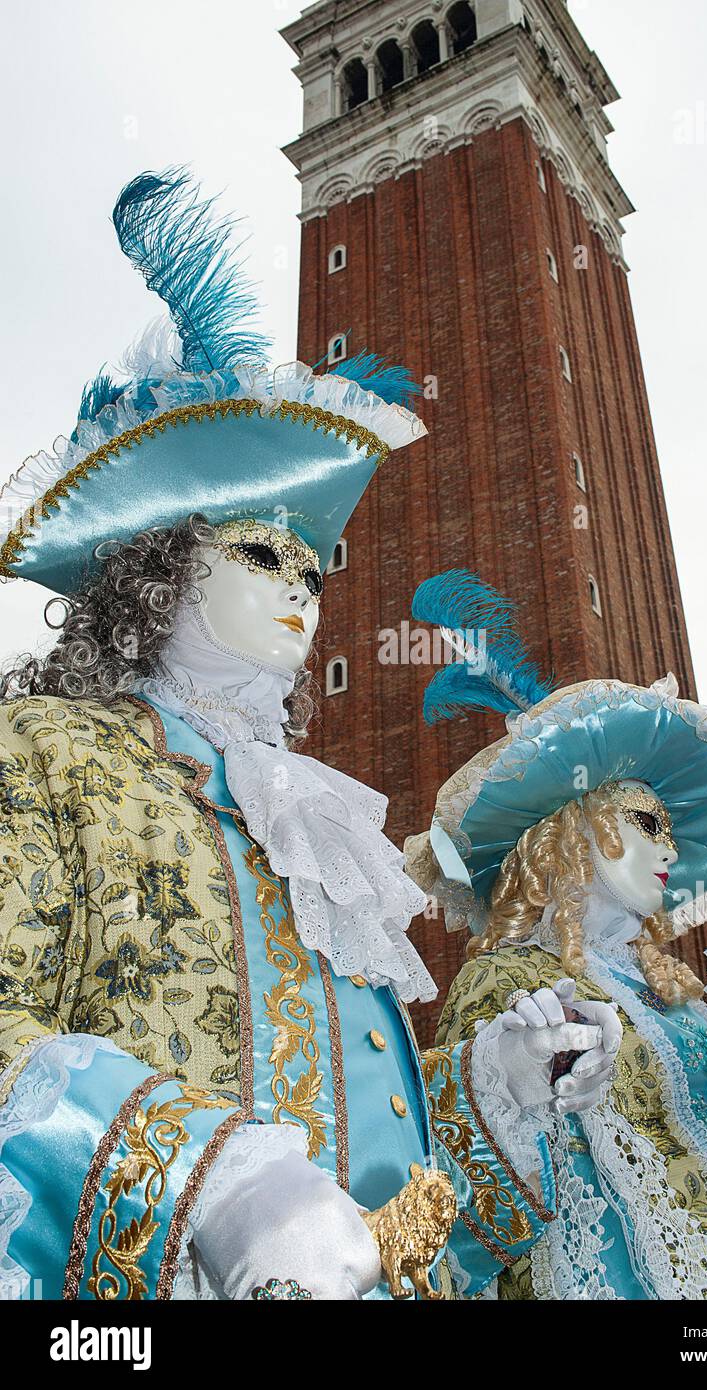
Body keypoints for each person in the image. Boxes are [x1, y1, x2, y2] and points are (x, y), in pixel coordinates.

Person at [0, 172, 599, 1301]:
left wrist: (500, 1089)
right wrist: (203, 1179)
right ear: (159, 572)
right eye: (260, 556)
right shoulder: (44, 752)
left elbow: (395, 1230)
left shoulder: (320, 826)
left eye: (314, 567)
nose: (305, 591)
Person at [405, 569, 707, 1299]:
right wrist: (519, 1075)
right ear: (568, 836)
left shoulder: (676, 997)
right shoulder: (508, 980)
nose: (670, 852)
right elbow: (451, 1177)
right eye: (646, 823)